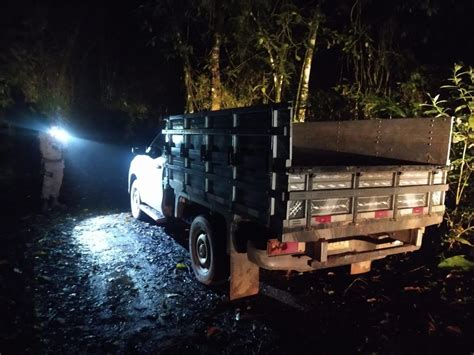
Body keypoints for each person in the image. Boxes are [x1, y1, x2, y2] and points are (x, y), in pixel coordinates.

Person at [39, 126, 66, 212]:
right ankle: (45, 203)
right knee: (47, 182)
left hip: (59, 162)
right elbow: (42, 148)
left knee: (58, 181)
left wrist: (60, 146)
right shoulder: (43, 134)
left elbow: (65, 147)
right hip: (48, 163)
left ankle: (55, 201)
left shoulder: (61, 133)